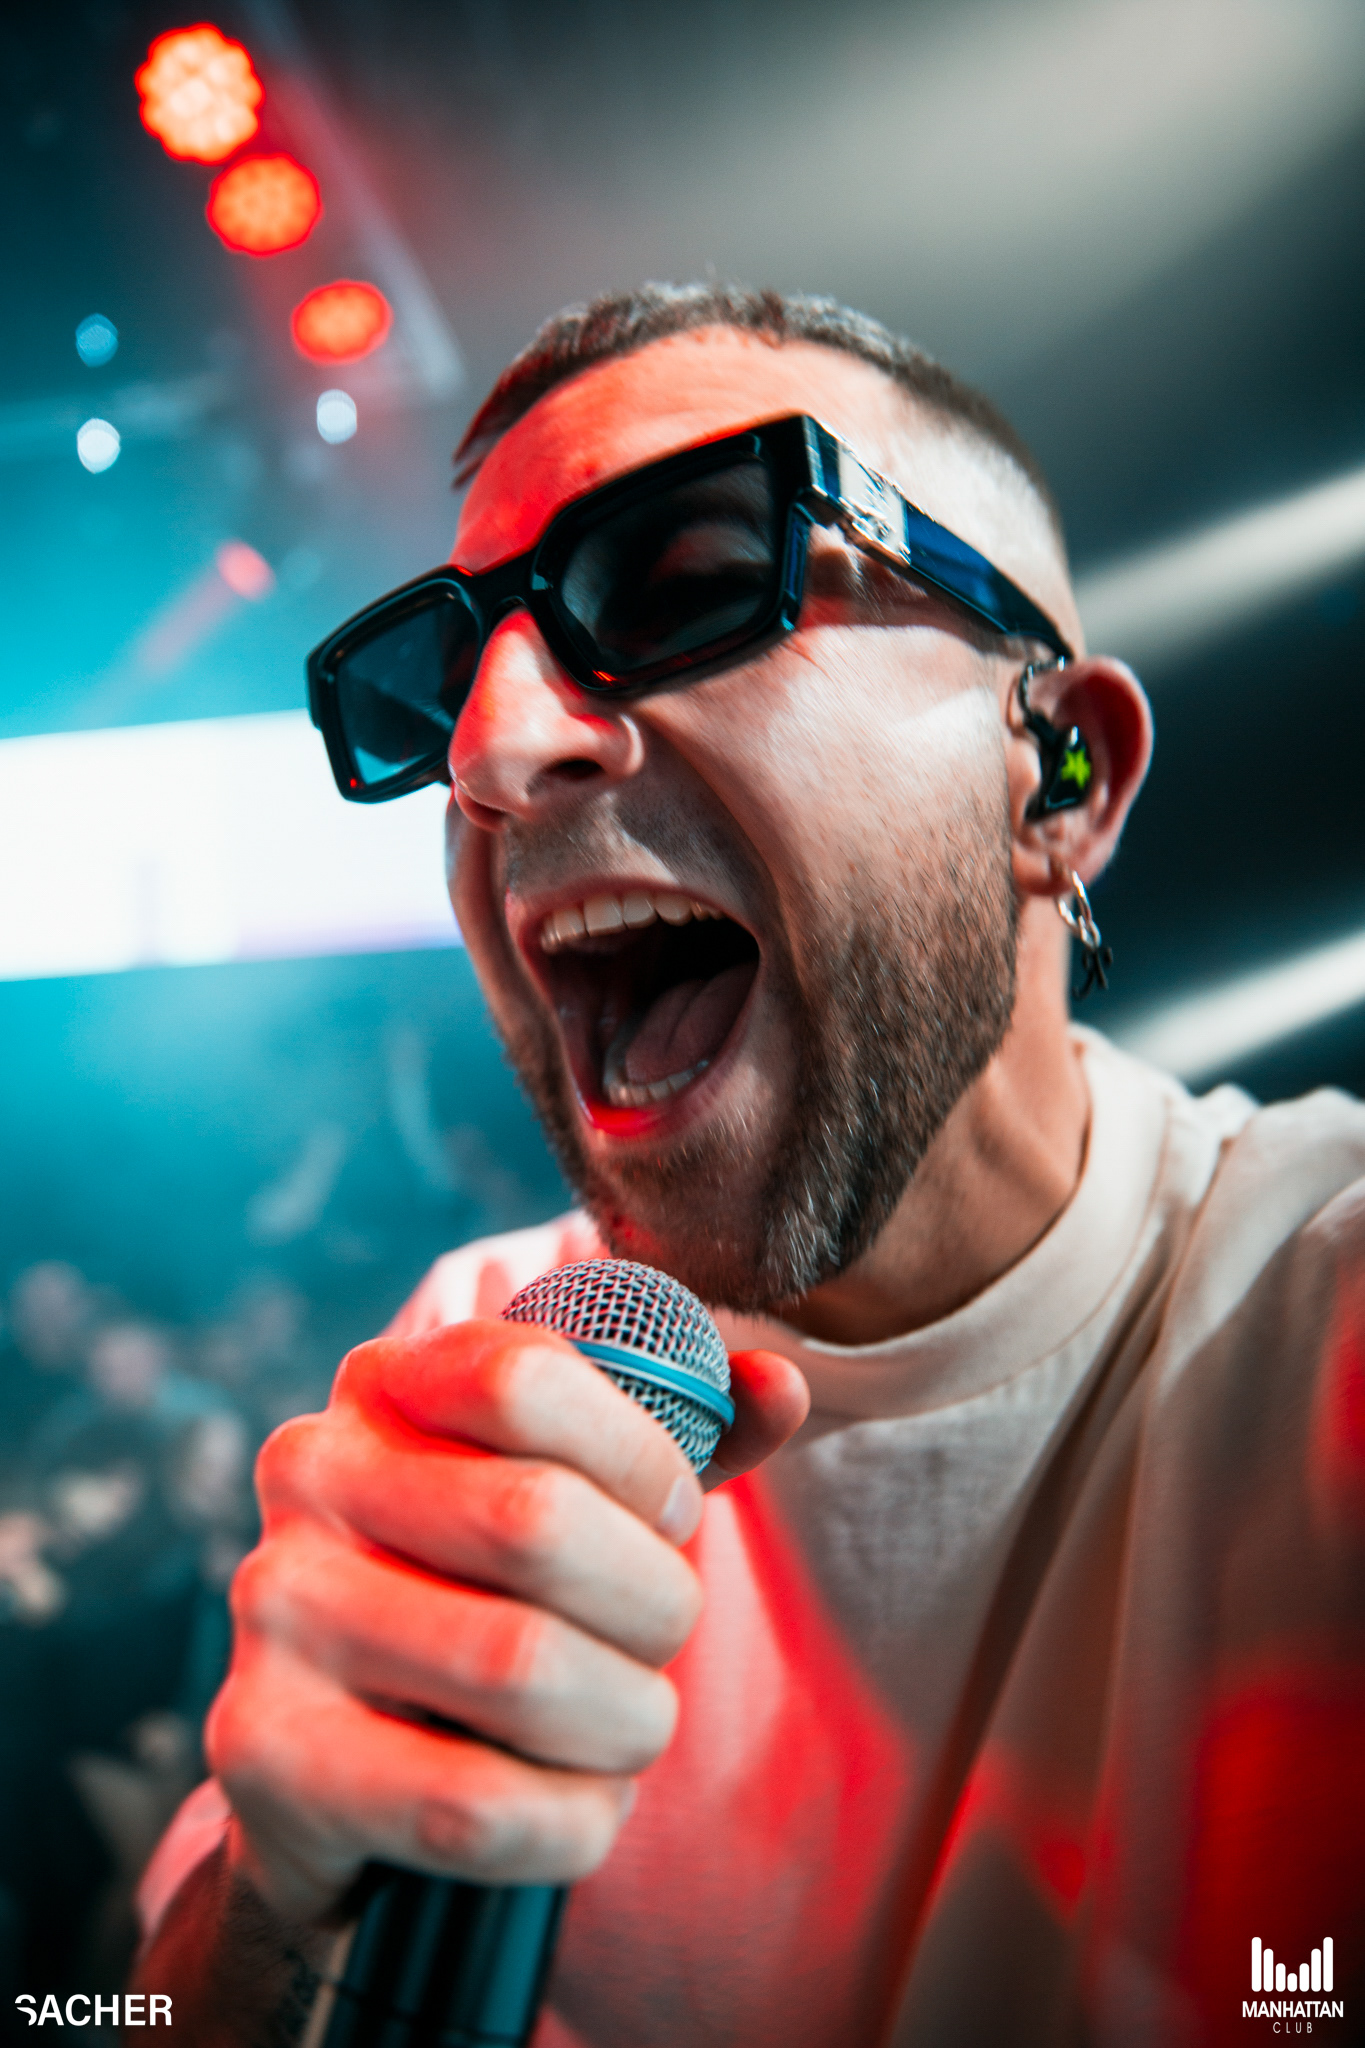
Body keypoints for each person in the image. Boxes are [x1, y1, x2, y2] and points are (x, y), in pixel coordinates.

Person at [134, 285, 1365, 2046]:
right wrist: (274, 1903)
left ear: (1060, 777)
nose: (487, 753)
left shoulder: (1321, 1317)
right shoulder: (494, 1342)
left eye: (691, 587)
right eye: (442, 688)